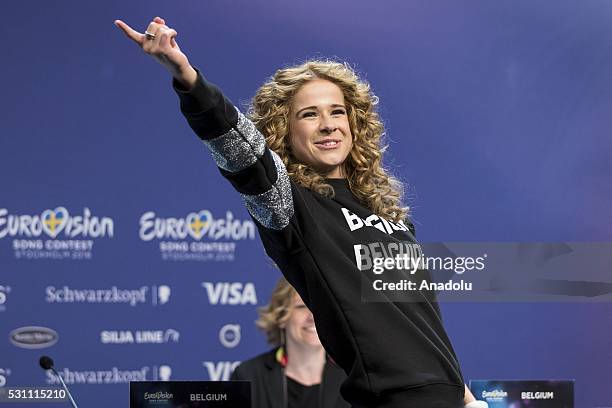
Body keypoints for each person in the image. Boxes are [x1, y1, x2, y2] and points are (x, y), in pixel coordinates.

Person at [114, 16, 487, 408]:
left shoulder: (392, 217)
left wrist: (467, 399)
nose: (328, 126)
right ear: (283, 131)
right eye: (309, 115)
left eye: (337, 112)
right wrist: (187, 76)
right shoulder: (291, 204)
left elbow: (421, 323)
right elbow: (240, 149)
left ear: (355, 123)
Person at [230, 277, 349, 408]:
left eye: (320, 307)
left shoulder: (351, 379)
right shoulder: (248, 375)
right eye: (302, 306)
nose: (312, 316)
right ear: (281, 317)